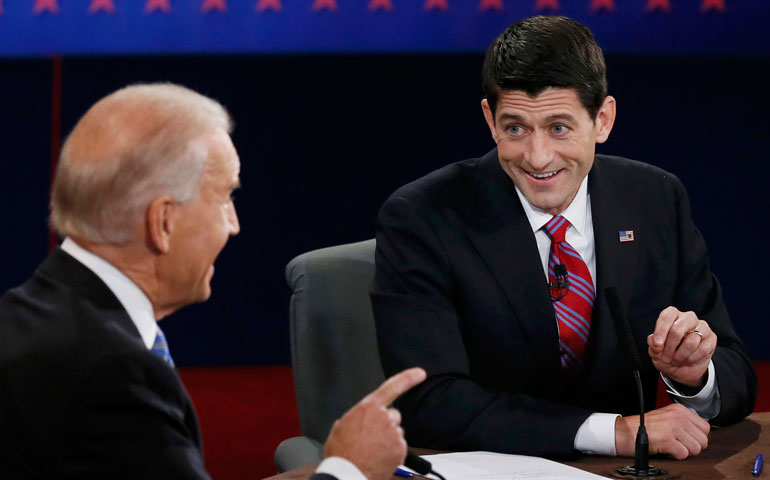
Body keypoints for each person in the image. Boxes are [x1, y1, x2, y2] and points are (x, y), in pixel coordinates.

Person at [372, 15, 756, 460]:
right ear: (490, 120)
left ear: (603, 119)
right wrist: (612, 432)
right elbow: (427, 402)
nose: (537, 158)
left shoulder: (654, 200)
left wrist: (695, 374)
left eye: (559, 127)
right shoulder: (423, 217)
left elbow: (736, 375)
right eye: (515, 128)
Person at [0, 83, 426, 479]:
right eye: (225, 197)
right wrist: (348, 470)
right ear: (163, 221)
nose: (234, 224)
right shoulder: (115, 371)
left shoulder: (27, 317)